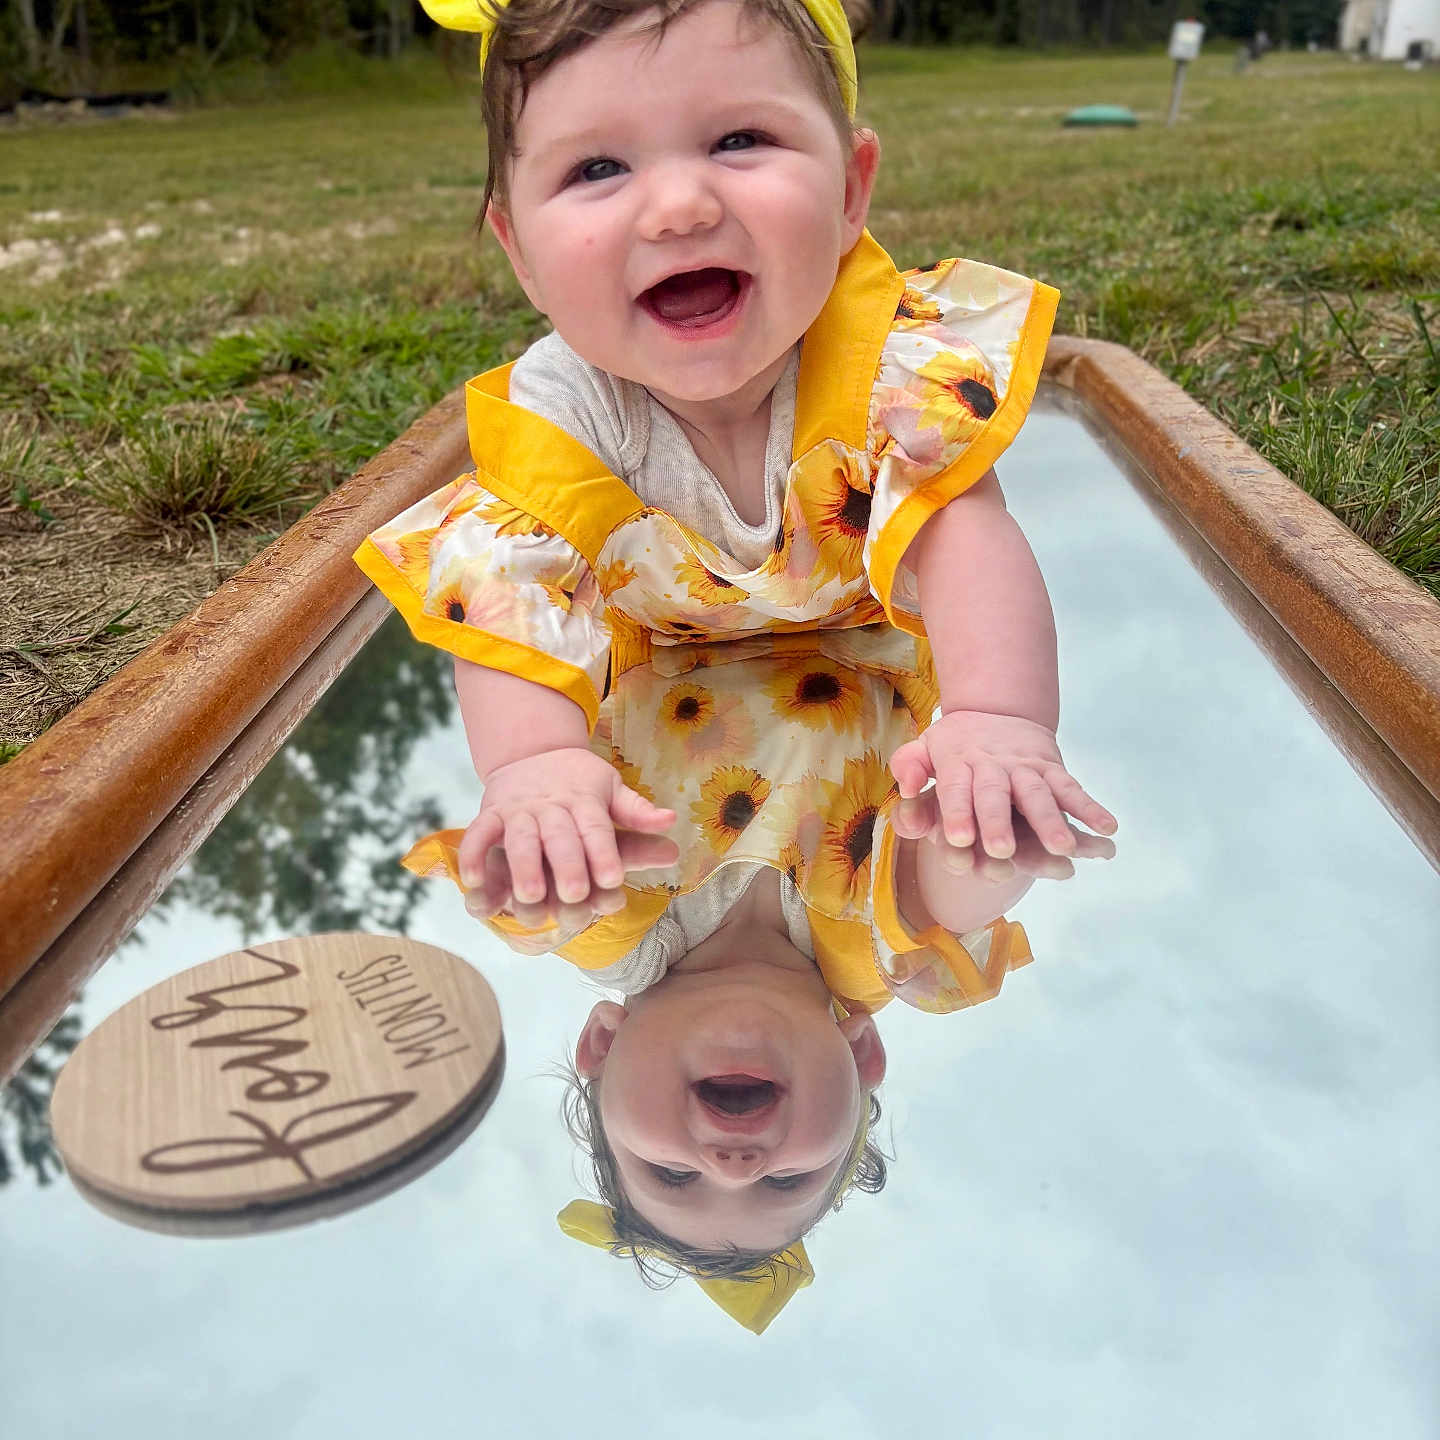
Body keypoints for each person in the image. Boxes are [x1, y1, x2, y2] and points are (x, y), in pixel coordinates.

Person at [354, 0, 1117, 929]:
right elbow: (511, 600)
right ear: (521, 253)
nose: (680, 207)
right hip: (662, 716)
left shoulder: (889, 361)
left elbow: (967, 533)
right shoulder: (567, 405)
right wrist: (537, 765)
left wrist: (998, 722)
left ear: (849, 193)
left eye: (738, 139)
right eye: (598, 167)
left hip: (879, 684)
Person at [403, 644, 1115, 1331]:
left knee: (512, 631)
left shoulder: (605, 922)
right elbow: (954, 889)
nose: (734, 1167)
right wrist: (993, 833)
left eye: (671, 1176)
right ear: (863, 1057)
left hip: (664, 583)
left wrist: (535, 803)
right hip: (851, 579)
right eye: (788, 1184)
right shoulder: (884, 951)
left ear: (602, 1043)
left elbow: (520, 660)